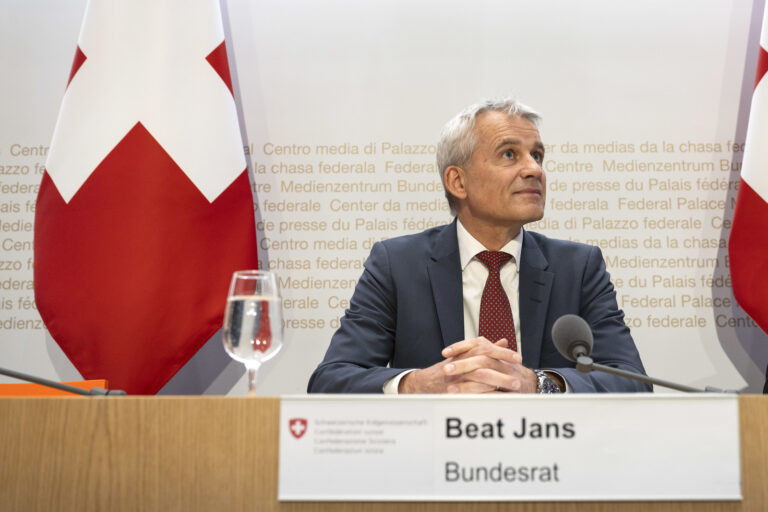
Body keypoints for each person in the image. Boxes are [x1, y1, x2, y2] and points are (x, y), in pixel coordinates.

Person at [308, 98, 650, 394]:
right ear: (458, 181)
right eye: (509, 154)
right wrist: (418, 385)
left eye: (537, 155)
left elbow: (632, 381)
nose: (534, 169)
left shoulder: (578, 267)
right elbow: (331, 379)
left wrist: (538, 384)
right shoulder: (397, 265)